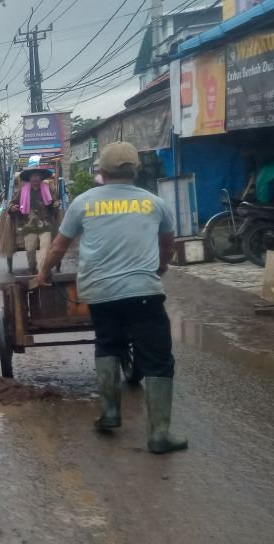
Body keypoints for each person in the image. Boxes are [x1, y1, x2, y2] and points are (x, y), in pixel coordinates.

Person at [37, 142, 186, 455]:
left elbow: (57, 248)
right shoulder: (154, 203)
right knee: (158, 358)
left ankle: (110, 413)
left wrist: (44, 275)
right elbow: (167, 246)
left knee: (107, 343)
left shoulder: (83, 203)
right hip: (144, 292)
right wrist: (158, 268)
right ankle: (159, 434)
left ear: (101, 172)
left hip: (100, 293)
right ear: (135, 170)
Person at [10, 161, 61, 274]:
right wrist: (12, 207)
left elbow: (54, 202)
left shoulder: (48, 188)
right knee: (30, 249)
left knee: (45, 248)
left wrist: (55, 204)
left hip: (45, 224)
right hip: (29, 225)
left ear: (41, 177)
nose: (35, 178)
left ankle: (42, 271)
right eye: (33, 176)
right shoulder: (23, 190)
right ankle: (32, 268)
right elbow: (12, 203)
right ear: (29, 178)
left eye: (37, 176)